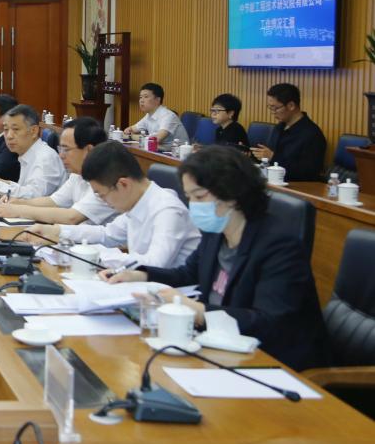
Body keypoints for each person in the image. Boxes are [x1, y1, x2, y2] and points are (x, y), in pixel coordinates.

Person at [102, 146, 330, 371]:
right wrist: (139, 275)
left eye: (200, 196)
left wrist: (197, 310)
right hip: (220, 346)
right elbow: (187, 274)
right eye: (189, 197)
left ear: (232, 193)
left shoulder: (278, 244)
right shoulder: (216, 232)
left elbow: (269, 323)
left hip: (273, 362)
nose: (193, 206)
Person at [24, 141, 199, 268]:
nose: (103, 201)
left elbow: (155, 264)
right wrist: (56, 231)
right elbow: (107, 234)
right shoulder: (138, 201)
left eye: (102, 195)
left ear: (123, 184)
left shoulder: (167, 210)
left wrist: (95, 256)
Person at [0, 117, 117, 226]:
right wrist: (19, 202)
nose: (61, 155)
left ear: (89, 150)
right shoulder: (77, 175)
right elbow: (53, 201)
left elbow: (72, 217)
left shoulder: (107, 181)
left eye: (66, 149)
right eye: (60, 149)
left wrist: (18, 210)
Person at [252, 82, 327, 182]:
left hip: (296, 186)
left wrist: (273, 157)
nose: (272, 112)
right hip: (272, 181)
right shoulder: (279, 128)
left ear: (291, 105)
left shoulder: (312, 134)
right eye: (270, 107)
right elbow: (269, 157)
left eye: (275, 108)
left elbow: (309, 173)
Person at [0, 104, 67, 199]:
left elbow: (35, 194)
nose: (9, 136)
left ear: (34, 131)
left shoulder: (45, 158)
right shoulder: (27, 153)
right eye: (6, 129)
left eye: (16, 129)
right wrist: (3, 183)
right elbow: (27, 188)